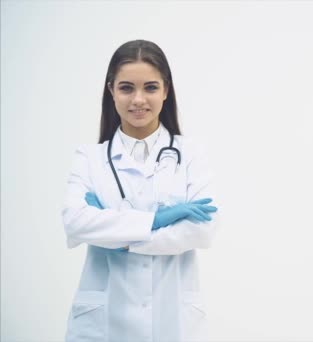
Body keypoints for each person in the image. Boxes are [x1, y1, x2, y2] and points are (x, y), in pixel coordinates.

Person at [62, 39, 220, 342]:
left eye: (150, 87)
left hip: (172, 319)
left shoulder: (192, 155)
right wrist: (156, 221)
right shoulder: (90, 158)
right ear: (111, 91)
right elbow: (75, 222)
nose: (138, 99)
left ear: (166, 90)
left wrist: (117, 236)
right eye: (126, 88)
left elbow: (203, 229)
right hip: (104, 323)